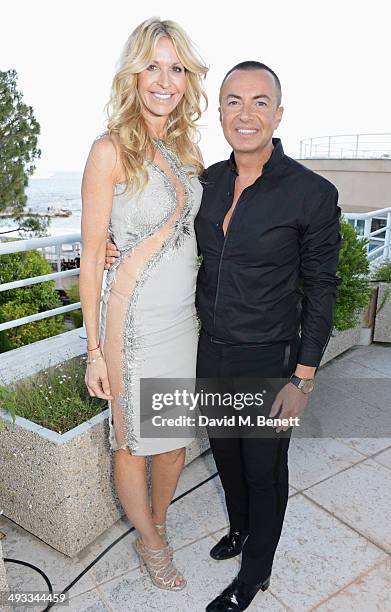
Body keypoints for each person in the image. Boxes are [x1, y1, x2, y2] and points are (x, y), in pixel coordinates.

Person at [105, 61, 341, 610]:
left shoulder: (311, 193)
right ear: (220, 112)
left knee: (264, 471)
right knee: (228, 461)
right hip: (209, 348)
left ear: (277, 114)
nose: (246, 113)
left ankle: (255, 572)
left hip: (270, 358)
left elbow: (322, 289)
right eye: (234, 101)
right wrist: (116, 250)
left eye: (260, 102)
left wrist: (302, 378)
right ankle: (240, 531)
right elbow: (162, 236)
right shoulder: (205, 182)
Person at [79, 17, 207, 592]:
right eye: (152, 66)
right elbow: (89, 258)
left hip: (184, 321)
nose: (164, 80)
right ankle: (152, 543)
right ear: (133, 75)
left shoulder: (186, 150)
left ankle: (154, 522)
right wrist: (92, 353)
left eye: (176, 68)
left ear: (187, 80)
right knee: (131, 441)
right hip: (128, 324)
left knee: (174, 442)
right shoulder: (109, 151)